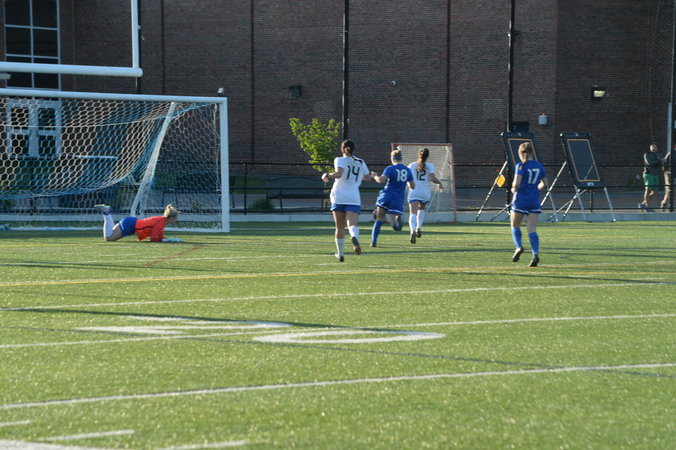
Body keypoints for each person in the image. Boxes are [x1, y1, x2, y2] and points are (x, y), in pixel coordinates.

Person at [322, 139, 372, 262]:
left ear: (342, 149)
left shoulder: (339, 159)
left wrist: (327, 174)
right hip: (353, 197)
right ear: (353, 149)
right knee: (352, 224)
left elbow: (339, 174)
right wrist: (358, 176)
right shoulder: (360, 161)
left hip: (339, 196)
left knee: (339, 227)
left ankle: (340, 254)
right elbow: (368, 178)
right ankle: (354, 236)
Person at [510, 142, 548, 267]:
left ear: (520, 153)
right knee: (532, 230)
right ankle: (535, 253)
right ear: (532, 152)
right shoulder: (539, 165)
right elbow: (545, 184)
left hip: (521, 200)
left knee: (515, 226)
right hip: (534, 201)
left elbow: (516, 184)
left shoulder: (521, 166)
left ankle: (518, 247)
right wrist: (535, 189)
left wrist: (513, 189)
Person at [370, 149, 415, 247]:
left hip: (387, 195)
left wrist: (375, 176)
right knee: (393, 223)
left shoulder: (390, 168)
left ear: (392, 158)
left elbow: (381, 180)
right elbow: (413, 186)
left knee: (379, 218)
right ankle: (396, 224)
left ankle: (373, 241)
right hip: (398, 197)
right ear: (401, 158)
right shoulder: (407, 170)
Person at [407, 147, 444, 243]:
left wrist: (409, 185)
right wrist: (440, 183)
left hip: (414, 191)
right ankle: (419, 228)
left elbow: (407, 178)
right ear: (427, 156)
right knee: (421, 209)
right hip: (425, 192)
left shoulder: (411, 165)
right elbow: (433, 178)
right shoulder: (430, 166)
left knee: (413, 213)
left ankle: (412, 230)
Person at [95, 203, 182, 242]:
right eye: (176, 218)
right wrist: (167, 240)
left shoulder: (162, 221)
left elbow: (157, 236)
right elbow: (153, 239)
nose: (176, 220)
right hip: (130, 225)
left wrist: (168, 239)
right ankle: (106, 212)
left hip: (131, 223)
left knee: (111, 233)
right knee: (109, 238)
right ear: (171, 218)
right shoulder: (161, 223)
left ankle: (107, 212)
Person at [638, 143, 662, 212]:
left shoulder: (659, 154)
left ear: (657, 148)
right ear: (650, 148)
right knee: (648, 190)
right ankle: (647, 207)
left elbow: (660, 163)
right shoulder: (647, 154)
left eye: (655, 147)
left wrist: (662, 161)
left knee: (655, 192)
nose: (653, 148)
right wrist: (660, 161)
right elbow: (650, 163)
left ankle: (642, 204)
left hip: (655, 174)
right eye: (652, 147)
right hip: (648, 174)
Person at [659, 147, 672, 211]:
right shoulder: (671, 154)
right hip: (670, 174)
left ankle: (669, 204)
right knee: (669, 190)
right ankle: (664, 203)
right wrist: (666, 172)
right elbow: (664, 162)